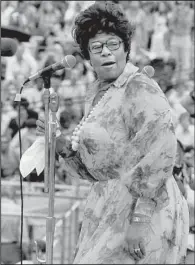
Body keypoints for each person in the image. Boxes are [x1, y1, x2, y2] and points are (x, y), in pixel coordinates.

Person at [36, 2, 189, 263]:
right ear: (88, 56)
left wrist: (139, 220)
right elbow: (97, 170)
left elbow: (160, 154)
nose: (106, 52)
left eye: (113, 44)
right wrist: (59, 142)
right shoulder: (97, 93)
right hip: (106, 206)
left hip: (145, 210)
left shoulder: (139, 86)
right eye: (97, 47)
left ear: (126, 48)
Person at [1, 186, 30, 264]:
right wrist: (27, 254)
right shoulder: (18, 209)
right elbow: (24, 236)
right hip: (13, 250)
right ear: (12, 196)